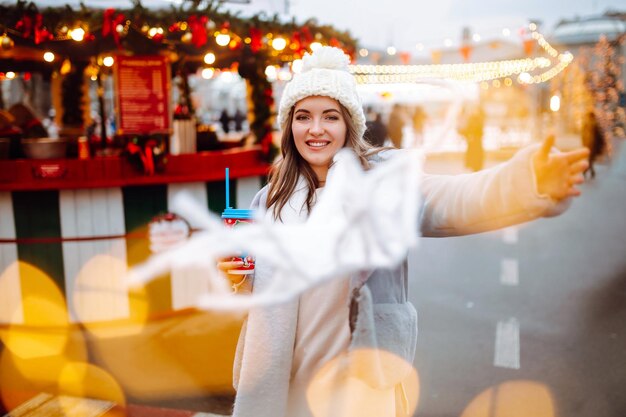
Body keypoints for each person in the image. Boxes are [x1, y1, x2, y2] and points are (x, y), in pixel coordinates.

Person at [225, 47, 589, 417]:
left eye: (330, 117)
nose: (315, 129)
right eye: (303, 117)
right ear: (289, 126)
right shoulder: (269, 200)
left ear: (349, 124)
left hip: (356, 386)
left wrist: (524, 181)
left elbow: (454, 200)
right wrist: (241, 276)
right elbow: (266, 290)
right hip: (283, 386)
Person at [460, 104, 486, 172]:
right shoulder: (472, 118)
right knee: (474, 159)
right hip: (473, 142)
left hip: (476, 141)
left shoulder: (478, 119)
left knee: (476, 159)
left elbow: (479, 130)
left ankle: (476, 169)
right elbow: (468, 129)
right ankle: (475, 169)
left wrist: (470, 134)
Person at [581, 110, 606, 179]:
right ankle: (590, 172)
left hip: (589, 144)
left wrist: (583, 143)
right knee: (590, 159)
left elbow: (583, 135)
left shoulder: (587, 124)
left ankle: (587, 171)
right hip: (592, 145)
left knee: (590, 159)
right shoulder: (594, 124)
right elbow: (600, 136)